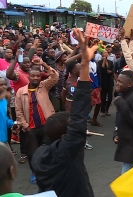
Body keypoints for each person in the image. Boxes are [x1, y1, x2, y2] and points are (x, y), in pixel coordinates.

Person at [31, 28, 96, 197]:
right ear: (63, 137)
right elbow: (80, 110)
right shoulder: (67, 150)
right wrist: (86, 62)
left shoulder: (38, 155)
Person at [15, 59, 58, 184]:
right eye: (33, 75)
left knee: (47, 150)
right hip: (31, 128)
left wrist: (43, 64)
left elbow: (55, 76)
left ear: (40, 77)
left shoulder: (44, 86)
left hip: (46, 125)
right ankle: (34, 172)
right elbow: (18, 112)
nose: (35, 78)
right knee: (33, 152)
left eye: (38, 76)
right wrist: (25, 126)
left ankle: (48, 170)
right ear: (28, 77)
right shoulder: (21, 92)